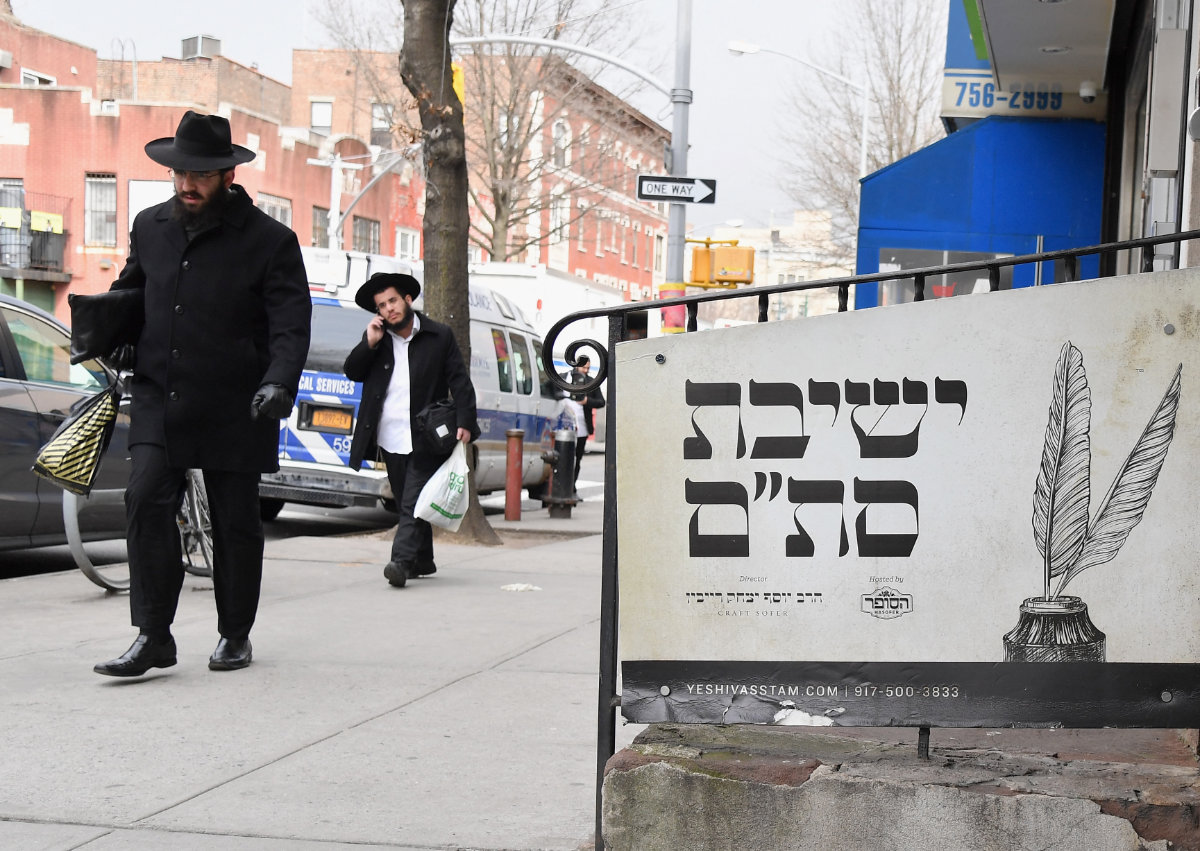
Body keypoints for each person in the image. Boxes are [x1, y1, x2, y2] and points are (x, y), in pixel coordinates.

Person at [92, 111, 311, 677]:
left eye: (202, 176)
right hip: (160, 394)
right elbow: (130, 290)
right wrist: (106, 331)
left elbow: (290, 323)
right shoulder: (150, 225)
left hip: (236, 401)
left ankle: (234, 633)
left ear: (227, 177)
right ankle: (153, 635)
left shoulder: (271, 241)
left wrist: (278, 381)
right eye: (181, 174)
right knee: (143, 500)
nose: (188, 185)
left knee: (235, 520)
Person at [343, 272, 479, 588]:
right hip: (390, 436)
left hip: (428, 435)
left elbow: (459, 380)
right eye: (381, 305)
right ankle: (423, 560)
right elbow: (352, 371)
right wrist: (369, 343)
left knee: (411, 502)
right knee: (411, 499)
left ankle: (401, 563)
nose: (389, 308)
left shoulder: (439, 335)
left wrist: (465, 422)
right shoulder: (378, 340)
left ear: (407, 300)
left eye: (392, 300)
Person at [569, 354, 605, 490]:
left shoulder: (591, 381)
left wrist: (586, 401)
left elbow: (601, 402)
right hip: (563, 427)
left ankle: (572, 487)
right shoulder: (566, 378)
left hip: (582, 426)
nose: (585, 370)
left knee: (577, 458)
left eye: (588, 368)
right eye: (583, 367)